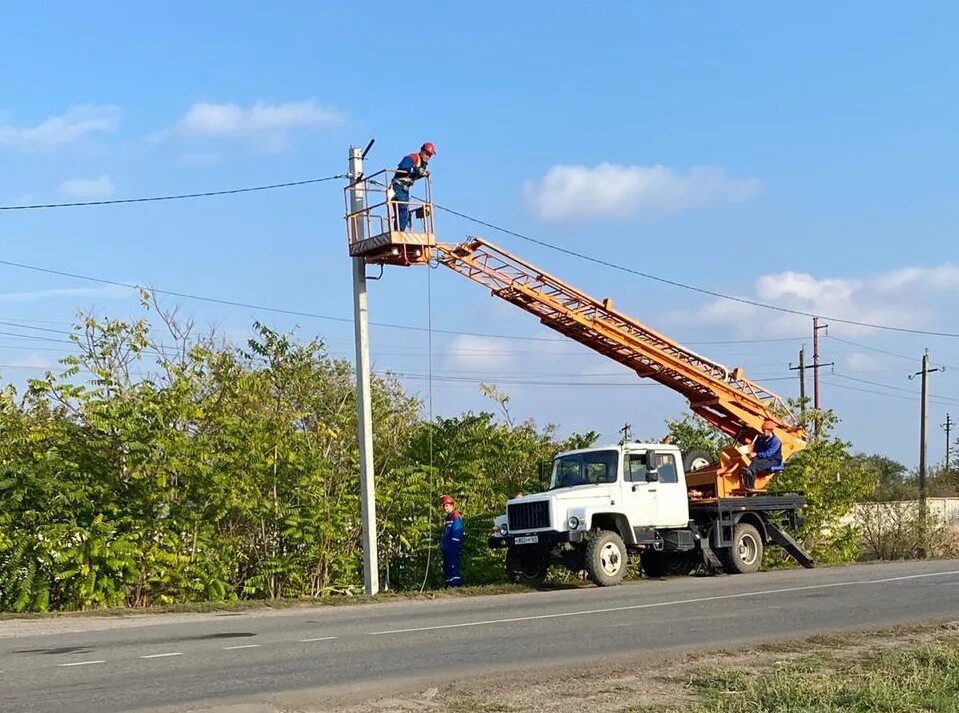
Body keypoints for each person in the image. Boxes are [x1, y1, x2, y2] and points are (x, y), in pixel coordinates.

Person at [391, 142, 436, 231]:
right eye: (427, 154)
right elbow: (403, 168)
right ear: (422, 151)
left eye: (430, 155)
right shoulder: (412, 158)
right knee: (402, 209)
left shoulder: (422, 164)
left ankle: (399, 231)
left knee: (403, 211)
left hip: (404, 189)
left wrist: (422, 174)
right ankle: (399, 232)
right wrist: (417, 170)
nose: (428, 157)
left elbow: (413, 175)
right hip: (398, 187)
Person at [743, 419, 783, 491]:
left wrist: (756, 454)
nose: (763, 433)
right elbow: (758, 449)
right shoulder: (763, 439)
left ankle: (750, 485)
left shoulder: (776, 441)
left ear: (769, 430)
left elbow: (769, 453)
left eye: (764, 431)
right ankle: (748, 485)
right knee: (753, 462)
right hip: (765, 458)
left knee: (755, 463)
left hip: (774, 460)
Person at [439, 494, 463, 588]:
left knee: (453, 565)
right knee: (447, 565)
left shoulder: (455, 516)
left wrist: (454, 545)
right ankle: (448, 583)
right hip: (447, 547)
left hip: (453, 546)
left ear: (452, 505)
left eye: (447, 505)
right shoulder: (448, 517)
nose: (445, 508)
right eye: (444, 506)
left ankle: (455, 585)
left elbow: (456, 531)